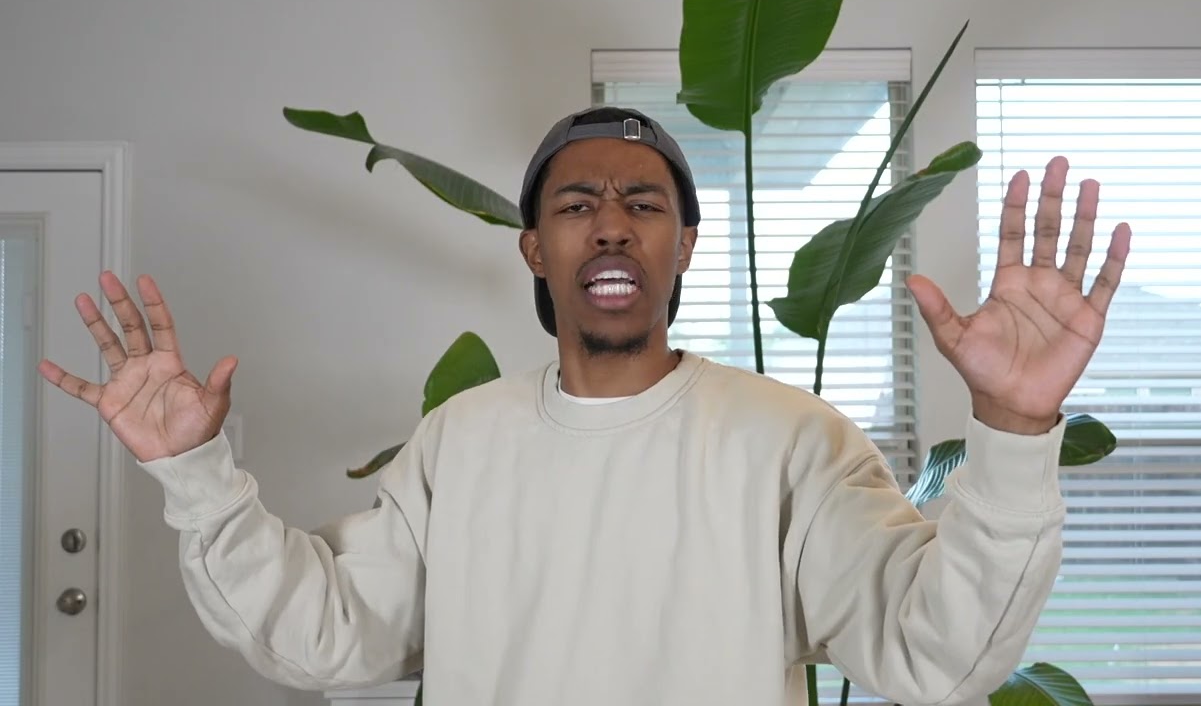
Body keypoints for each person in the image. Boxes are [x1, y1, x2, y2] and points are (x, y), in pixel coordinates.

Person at [38, 106, 1131, 706]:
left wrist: (1013, 431)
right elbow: (325, 635)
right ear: (535, 248)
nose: (610, 223)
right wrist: (195, 475)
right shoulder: (461, 441)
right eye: (576, 204)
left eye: (642, 203)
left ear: (682, 246)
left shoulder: (791, 441)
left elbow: (936, 655)